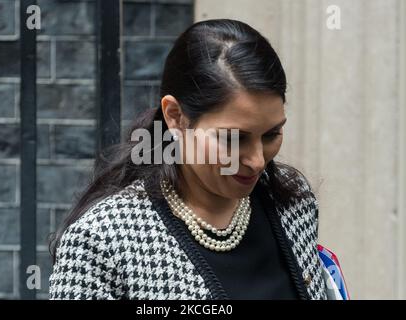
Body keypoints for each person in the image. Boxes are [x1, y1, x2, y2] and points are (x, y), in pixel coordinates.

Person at [48, 18, 331, 300]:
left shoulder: (293, 203)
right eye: (233, 139)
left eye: (271, 134)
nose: (257, 161)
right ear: (175, 116)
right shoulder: (102, 241)